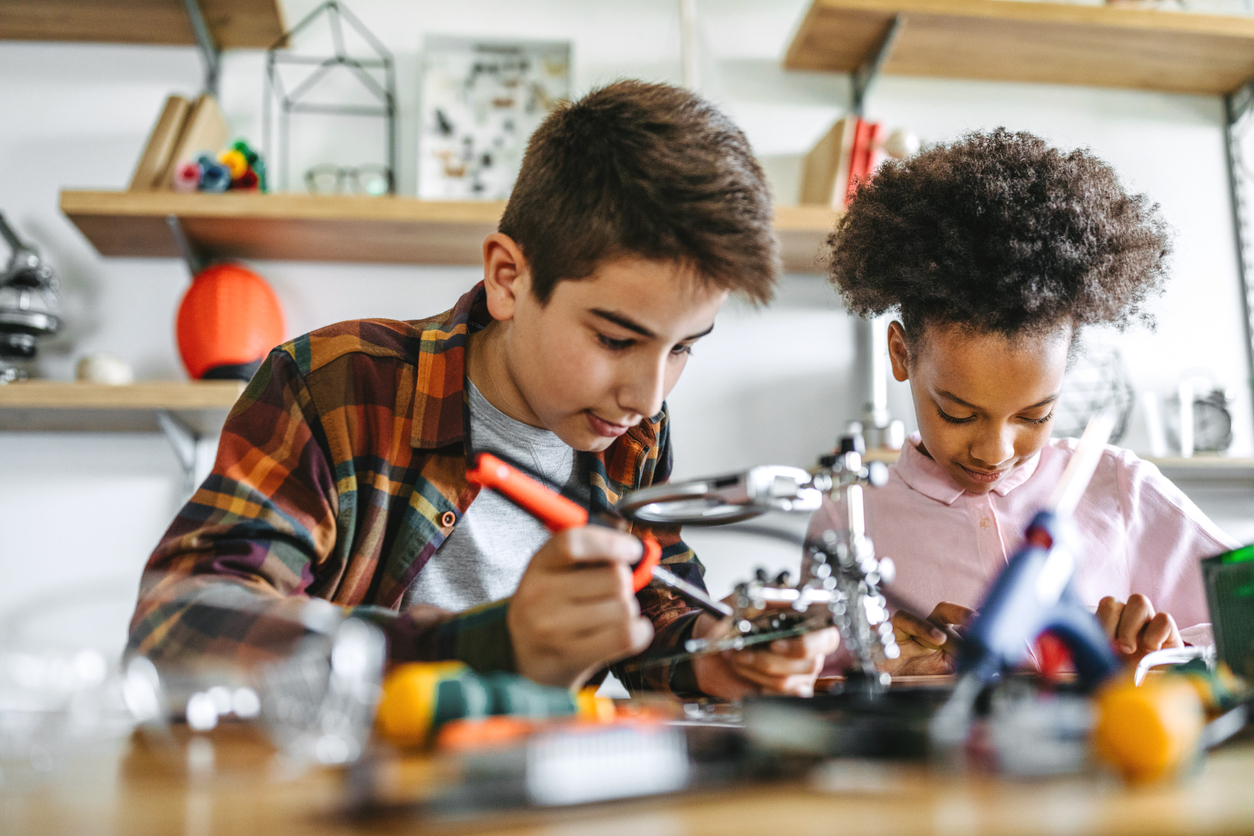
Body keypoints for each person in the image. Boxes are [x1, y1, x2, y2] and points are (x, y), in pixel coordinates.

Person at [128, 81, 838, 699]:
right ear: (508, 278)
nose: (647, 397)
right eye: (616, 340)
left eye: (682, 348)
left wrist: (717, 652)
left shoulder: (634, 433)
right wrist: (487, 646)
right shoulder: (334, 384)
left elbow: (652, 597)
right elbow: (180, 624)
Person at [815, 128, 1237, 677]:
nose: (995, 450)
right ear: (901, 354)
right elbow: (803, 683)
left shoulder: (1120, 490)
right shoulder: (848, 519)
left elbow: (1240, 624)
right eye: (958, 413)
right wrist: (875, 671)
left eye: (1034, 415)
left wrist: (1167, 655)